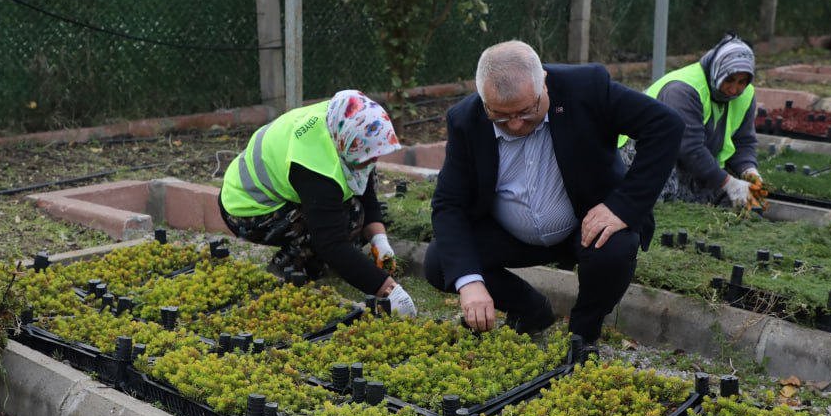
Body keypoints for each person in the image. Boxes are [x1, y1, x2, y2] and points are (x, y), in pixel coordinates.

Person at [424, 40, 684, 343]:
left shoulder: (586, 89)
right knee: (443, 262)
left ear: (544, 83)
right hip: (509, 235)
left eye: (526, 111)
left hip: (582, 227)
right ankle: (531, 309)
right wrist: (470, 283)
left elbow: (665, 125)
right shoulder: (465, 120)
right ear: (484, 100)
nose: (515, 124)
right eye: (500, 116)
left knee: (615, 247)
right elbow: (449, 203)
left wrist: (624, 205)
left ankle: (583, 334)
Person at [218, 90, 418, 316]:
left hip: (275, 193)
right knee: (341, 226)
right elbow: (331, 243)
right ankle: (289, 266)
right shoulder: (315, 164)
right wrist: (389, 291)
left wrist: (379, 240)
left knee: (355, 216)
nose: (373, 160)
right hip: (247, 210)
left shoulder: (343, 120)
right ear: (349, 143)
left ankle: (319, 261)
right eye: (367, 156)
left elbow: (366, 190)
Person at [622, 34, 761, 207]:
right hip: (643, 153)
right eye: (729, 80)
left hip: (690, 158)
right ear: (718, 70)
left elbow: (743, 142)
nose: (734, 89)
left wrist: (750, 172)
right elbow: (690, 149)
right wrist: (729, 183)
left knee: (733, 199)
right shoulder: (682, 90)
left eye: (742, 82)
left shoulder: (745, 95)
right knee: (660, 205)